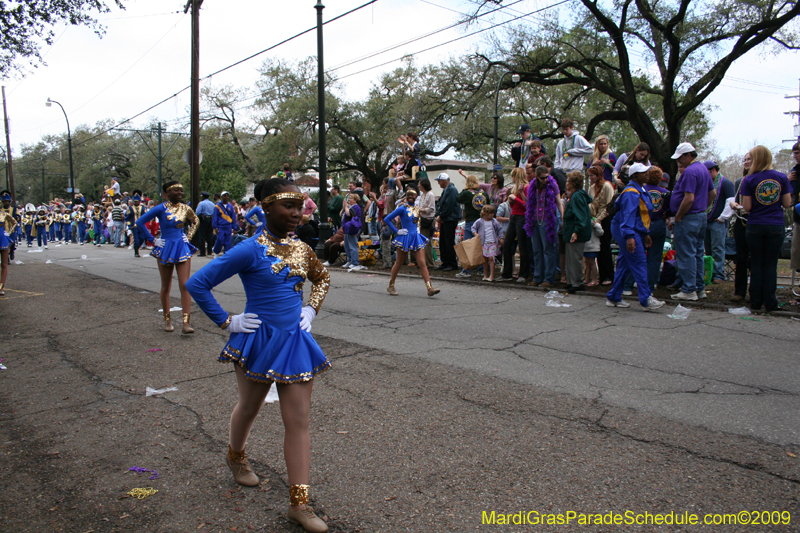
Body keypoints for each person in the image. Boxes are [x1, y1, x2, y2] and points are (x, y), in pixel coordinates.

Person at [186, 178, 331, 533]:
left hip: (294, 341)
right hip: (257, 341)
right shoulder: (248, 249)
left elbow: (323, 278)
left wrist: (310, 310)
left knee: (298, 421)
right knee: (249, 407)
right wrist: (227, 320)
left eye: (301, 207)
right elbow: (197, 283)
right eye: (289, 206)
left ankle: (299, 503)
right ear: (265, 207)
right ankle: (235, 456)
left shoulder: (302, 249)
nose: (298, 213)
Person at [136, 180, 199, 334]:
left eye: (181, 190)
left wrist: (188, 237)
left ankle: (186, 323)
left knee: (185, 285)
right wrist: (153, 240)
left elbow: (196, 221)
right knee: (166, 286)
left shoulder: (186, 208)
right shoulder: (160, 208)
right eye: (176, 190)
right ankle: (167, 321)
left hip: (182, 247)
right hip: (165, 248)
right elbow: (140, 222)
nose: (180, 193)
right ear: (167, 193)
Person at [739, 146, 792, 312]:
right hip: (775, 224)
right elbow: (787, 203)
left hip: (755, 224)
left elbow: (746, 207)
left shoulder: (749, 179)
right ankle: (770, 302)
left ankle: (755, 301)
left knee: (756, 263)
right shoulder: (782, 178)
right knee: (770, 265)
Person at [606, 162, 666, 310]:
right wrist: (630, 237)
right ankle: (646, 299)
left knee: (625, 263)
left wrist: (645, 234)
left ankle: (614, 296)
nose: (647, 174)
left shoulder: (640, 189)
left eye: (647, 171)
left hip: (632, 230)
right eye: (643, 172)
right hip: (626, 230)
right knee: (639, 261)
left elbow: (642, 216)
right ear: (635, 175)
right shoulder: (632, 193)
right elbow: (628, 216)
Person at [669, 142, 715, 301]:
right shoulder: (703, 169)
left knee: (686, 254)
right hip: (700, 216)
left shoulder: (690, 172)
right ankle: (699, 288)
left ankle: (689, 289)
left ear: (689, 155)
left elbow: (688, 198)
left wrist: (679, 216)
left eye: (680, 158)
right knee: (697, 253)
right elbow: (712, 193)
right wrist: (703, 208)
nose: (678, 162)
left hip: (689, 218)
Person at [383, 188, 440, 297]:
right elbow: (387, 219)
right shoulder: (402, 208)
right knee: (399, 262)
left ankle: (429, 288)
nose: (410, 197)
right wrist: (397, 231)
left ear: (416, 197)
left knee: (422, 263)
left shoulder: (417, 208)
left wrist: (417, 230)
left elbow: (417, 221)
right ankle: (391, 285)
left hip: (415, 237)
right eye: (408, 195)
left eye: (413, 195)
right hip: (405, 237)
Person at [525, 166, 563, 287]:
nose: (545, 180)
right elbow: (528, 202)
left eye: (547, 177)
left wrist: (562, 216)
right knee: (537, 250)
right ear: (537, 177)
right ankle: (537, 277)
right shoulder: (533, 186)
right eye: (542, 178)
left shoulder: (552, 184)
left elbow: (558, 201)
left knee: (548, 250)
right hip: (534, 221)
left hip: (547, 221)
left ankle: (549, 278)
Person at [703, 161, 734, 284]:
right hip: (706, 219)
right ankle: (709, 272)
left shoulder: (725, 183)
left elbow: (731, 201)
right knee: (708, 248)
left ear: (713, 170)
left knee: (718, 248)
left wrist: (723, 217)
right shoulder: (707, 184)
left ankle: (718, 274)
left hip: (718, 222)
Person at [497, 167, 530, 282]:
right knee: (507, 244)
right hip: (514, 216)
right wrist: (511, 202)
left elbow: (527, 205)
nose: (512, 178)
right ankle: (507, 273)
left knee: (522, 245)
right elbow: (514, 207)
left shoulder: (526, 187)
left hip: (522, 217)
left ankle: (523, 274)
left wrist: (515, 198)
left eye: (513, 176)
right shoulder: (515, 188)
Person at [562, 171, 592, 293]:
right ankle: (571, 281)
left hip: (575, 231)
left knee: (575, 258)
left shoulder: (577, 197)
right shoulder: (575, 196)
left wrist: (576, 231)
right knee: (570, 257)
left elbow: (580, 216)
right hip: (570, 231)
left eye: (568, 181)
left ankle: (577, 282)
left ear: (573, 183)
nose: (566, 183)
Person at [455, 171, 488, 278]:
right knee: (480, 245)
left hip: (471, 221)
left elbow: (458, 198)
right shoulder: (484, 193)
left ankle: (466, 270)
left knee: (468, 245)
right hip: (482, 221)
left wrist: (465, 189)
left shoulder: (467, 193)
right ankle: (481, 269)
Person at [586, 165, 615, 284]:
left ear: (598, 176)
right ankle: (601, 275)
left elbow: (608, 206)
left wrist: (599, 219)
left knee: (605, 247)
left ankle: (608, 275)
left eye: (592, 176)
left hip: (605, 219)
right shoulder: (591, 188)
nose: (590, 178)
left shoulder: (607, 186)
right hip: (595, 219)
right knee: (597, 247)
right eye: (589, 176)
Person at [644, 167, 669, 289]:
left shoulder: (642, 190)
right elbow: (669, 210)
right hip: (659, 223)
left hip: (644, 223)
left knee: (639, 255)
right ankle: (651, 283)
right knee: (655, 257)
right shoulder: (665, 192)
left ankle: (633, 282)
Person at [434, 172, 461, 271]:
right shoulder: (446, 190)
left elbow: (449, 205)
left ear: (444, 181)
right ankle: (445, 262)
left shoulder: (452, 190)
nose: (438, 183)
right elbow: (441, 204)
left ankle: (452, 263)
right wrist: (438, 214)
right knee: (443, 241)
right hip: (446, 219)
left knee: (449, 241)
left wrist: (442, 215)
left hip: (450, 219)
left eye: (439, 181)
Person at [471, 204, 504, 282]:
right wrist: (476, 234)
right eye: (491, 213)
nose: (493, 215)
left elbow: (499, 229)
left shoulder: (494, 221)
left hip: (492, 242)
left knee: (491, 258)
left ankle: (491, 275)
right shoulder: (480, 221)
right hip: (484, 243)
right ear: (486, 213)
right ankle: (485, 275)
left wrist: (501, 237)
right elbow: (473, 228)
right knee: (485, 259)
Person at [417, 178, 437, 270]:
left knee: (427, 242)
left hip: (428, 220)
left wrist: (420, 210)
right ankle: (424, 262)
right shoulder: (422, 195)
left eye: (419, 184)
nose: (418, 185)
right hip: (422, 220)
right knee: (422, 242)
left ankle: (430, 263)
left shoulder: (430, 195)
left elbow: (431, 209)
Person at [341, 193, 363, 270]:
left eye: (351, 198)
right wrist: (344, 207)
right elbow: (341, 214)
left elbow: (349, 214)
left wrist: (346, 207)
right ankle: (349, 260)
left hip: (352, 228)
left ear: (355, 200)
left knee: (353, 245)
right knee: (347, 245)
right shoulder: (350, 207)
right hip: (347, 228)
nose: (349, 199)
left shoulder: (356, 207)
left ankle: (355, 262)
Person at [0, 197, 17, 296]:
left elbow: (14, 222)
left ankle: (1, 287)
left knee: (4, 264)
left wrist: (8, 232)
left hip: (2, 238)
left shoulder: (4, 214)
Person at [213, 191, 238, 257]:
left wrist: (234, 227)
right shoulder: (217, 206)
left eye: (227, 196)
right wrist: (215, 227)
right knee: (220, 239)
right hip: (221, 226)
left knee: (228, 242)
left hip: (228, 226)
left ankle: (226, 255)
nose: (226, 197)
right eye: (225, 196)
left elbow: (233, 217)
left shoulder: (230, 206)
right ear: (222, 197)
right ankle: (216, 251)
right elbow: (215, 217)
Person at [125, 191, 148, 258]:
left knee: (142, 238)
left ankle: (138, 247)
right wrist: (129, 225)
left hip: (141, 226)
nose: (136, 202)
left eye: (137, 201)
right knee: (136, 239)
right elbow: (127, 218)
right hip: (134, 226)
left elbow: (146, 216)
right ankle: (136, 251)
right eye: (135, 201)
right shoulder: (130, 208)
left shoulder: (143, 208)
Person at [195, 191, 216, 256]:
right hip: (211, 219)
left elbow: (198, 212)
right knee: (210, 235)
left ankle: (202, 252)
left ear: (203, 197)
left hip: (203, 220)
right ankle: (209, 251)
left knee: (202, 236)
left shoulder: (201, 203)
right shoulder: (212, 204)